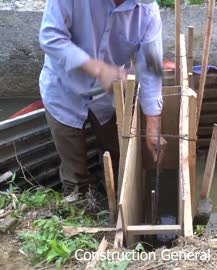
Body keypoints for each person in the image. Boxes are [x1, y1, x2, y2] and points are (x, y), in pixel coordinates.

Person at [38, 0, 166, 202]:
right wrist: (98, 69)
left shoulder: (147, 11)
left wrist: (153, 124)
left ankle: (113, 203)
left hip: (107, 98)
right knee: (75, 174)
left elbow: (150, 66)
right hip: (64, 92)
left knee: (119, 159)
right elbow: (50, 37)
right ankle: (79, 210)